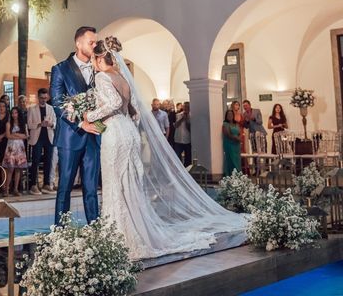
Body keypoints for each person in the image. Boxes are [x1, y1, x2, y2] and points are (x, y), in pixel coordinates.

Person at [84, 36, 246, 259]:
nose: (93, 62)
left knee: (114, 182)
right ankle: (133, 232)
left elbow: (111, 104)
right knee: (129, 181)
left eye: (94, 58)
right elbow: (135, 112)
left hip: (114, 132)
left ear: (101, 57)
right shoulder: (122, 77)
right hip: (128, 132)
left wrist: (88, 117)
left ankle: (118, 235)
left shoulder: (103, 77)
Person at [50, 26, 99, 225]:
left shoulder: (99, 68)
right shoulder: (60, 69)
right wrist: (81, 123)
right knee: (65, 188)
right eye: (91, 42)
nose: (95, 45)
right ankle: (60, 233)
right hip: (70, 138)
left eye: (96, 42)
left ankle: (95, 230)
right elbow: (58, 103)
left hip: (94, 137)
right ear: (78, 44)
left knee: (91, 189)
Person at [27, 87, 56, 195]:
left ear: (47, 97)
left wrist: (50, 124)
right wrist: (40, 124)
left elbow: (55, 123)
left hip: (48, 137)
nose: (43, 100)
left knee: (48, 161)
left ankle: (46, 184)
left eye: (45, 98)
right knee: (35, 161)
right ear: (38, 97)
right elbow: (29, 124)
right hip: (37, 138)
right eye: (41, 98)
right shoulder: (32, 109)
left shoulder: (51, 109)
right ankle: (33, 185)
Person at [2, 107, 28, 196]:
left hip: (20, 147)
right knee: (10, 168)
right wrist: (19, 136)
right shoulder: (8, 124)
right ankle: (6, 189)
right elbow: (8, 136)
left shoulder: (23, 124)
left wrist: (15, 134)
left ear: (19, 114)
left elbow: (26, 136)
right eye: (12, 113)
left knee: (18, 169)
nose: (14, 115)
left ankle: (16, 189)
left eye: (16, 113)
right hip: (11, 147)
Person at [222, 109, 241, 176]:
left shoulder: (236, 124)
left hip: (237, 145)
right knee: (231, 160)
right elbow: (227, 134)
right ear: (226, 116)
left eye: (231, 114)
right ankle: (231, 175)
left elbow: (239, 132)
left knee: (237, 160)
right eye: (228, 114)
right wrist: (235, 138)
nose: (230, 116)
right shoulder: (225, 124)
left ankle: (238, 175)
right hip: (229, 144)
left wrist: (239, 138)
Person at [174, 102, 192, 166]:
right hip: (178, 140)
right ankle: (179, 170)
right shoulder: (178, 115)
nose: (186, 108)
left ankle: (186, 171)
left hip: (187, 140)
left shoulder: (192, 116)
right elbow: (175, 126)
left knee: (188, 157)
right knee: (177, 156)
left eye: (187, 107)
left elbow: (191, 129)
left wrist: (187, 119)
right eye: (184, 106)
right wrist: (182, 119)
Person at [231, 101, 246, 171]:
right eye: (235, 105)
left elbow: (243, 124)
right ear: (233, 106)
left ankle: (243, 168)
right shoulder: (230, 114)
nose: (237, 106)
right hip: (234, 132)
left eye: (238, 105)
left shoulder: (241, 114)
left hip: (241, 132)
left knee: (242, 149)